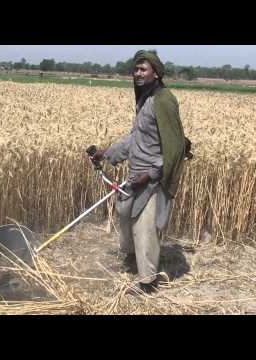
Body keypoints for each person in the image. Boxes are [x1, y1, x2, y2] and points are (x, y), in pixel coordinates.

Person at [92, 50, 187, 295]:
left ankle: (148, 282)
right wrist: (107, 153)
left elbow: (175, 146)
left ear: (156, 73)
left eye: (143, 69)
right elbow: (136, 138)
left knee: (145, 227)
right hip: (137, 173)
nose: (137, 74)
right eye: (135, 69)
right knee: (125, 214)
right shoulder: (145, 100)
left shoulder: (164, 101)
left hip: (153, 177)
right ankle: (134, 259)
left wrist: (151, 174)